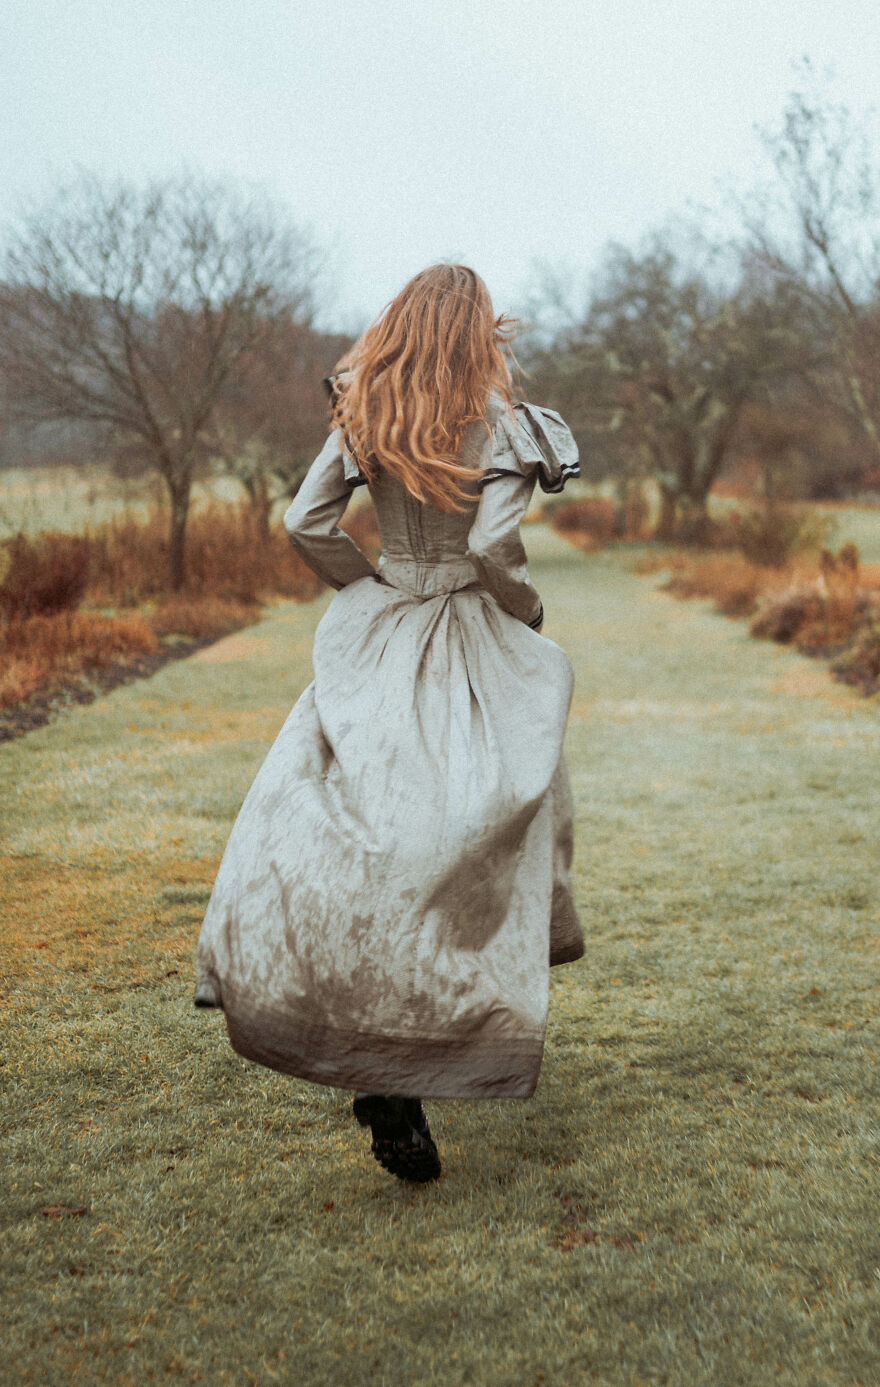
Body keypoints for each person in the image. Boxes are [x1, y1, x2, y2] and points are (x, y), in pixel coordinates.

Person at [194, 263, 584, 1184]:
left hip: (386, 623)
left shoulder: (366, 407)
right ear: (477, 329)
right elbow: (491, 546)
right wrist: (524, 615)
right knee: (479, 821)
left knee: (364, 827)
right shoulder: (496, 416)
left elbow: (305, 519)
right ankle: (427, 1039)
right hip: (469, 630)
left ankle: (381, 1058)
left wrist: (369, 589)